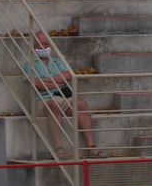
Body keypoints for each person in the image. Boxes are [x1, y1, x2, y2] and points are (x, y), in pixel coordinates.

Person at [25, 32, 102, 160]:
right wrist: (57, 81)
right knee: (53, 104)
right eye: (40, 44)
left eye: (46, 44)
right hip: (44, 100)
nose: (44, 47)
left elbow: (68, 76)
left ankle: (91, 146)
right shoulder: (29, 64)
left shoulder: (57, 61)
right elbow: (37, 84)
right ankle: (59, 148)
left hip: (63, 97)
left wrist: (48, 81)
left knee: (81, 104)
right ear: (34, 46)